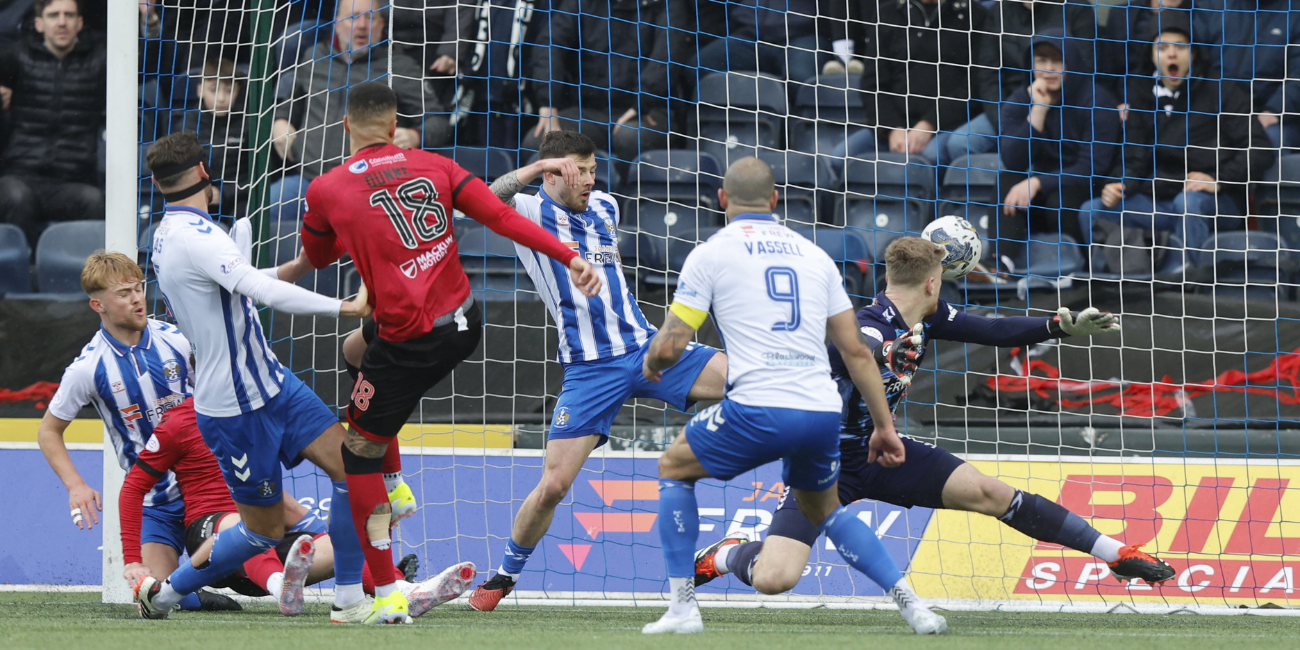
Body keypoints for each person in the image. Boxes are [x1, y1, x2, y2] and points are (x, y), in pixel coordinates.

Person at [691, 237, 1177, 599]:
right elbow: (830, 365)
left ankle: (1116, 553)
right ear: (931, 280)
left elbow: (992, 329)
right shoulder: (864, 328)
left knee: (991, 492)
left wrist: (1059, 325)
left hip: (888, 455)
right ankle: (727, 553)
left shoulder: (927, 316)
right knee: (776, 579)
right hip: (826, 469)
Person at [296, 82, 601, 615]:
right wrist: (569, 256)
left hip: (410, 340)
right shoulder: (433, 164)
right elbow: (500, 216)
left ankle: (386, 592)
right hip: (463, 322)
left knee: (355, 451)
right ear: (395, 128)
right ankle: (395, 486)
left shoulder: (325, 189)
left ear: (346, 127)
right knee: (352, 350)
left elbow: (318, 258)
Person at [637, 157, 946, 635]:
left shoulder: (711, 253)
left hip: (759, 404)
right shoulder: (814, 256)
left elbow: (673, 343)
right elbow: (857, 354)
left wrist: (653, 365)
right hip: (822, 410)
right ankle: (914, 607)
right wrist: (885, 427)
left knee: (673, 467)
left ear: (721, 200)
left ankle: (681, 609)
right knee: (824, 508)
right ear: (775, 200)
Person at [464, 130, 728, 612]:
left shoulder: (606, 206)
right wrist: (530, 172)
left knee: (747, 380)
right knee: (553, 486)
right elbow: (476, 201)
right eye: (578, 171)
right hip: (589, 370)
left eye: (591, 169)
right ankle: (504, 576)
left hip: (648, 350)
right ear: (552, 172)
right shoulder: (526, 209)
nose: (589, 179)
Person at [137, 131, 381, 624]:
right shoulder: (196, 236)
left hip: (274, 383)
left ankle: (351, 597)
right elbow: (256, 290)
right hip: (233, 409)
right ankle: (162, 595)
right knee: (263, 533)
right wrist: (345, 306)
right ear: (206, 175)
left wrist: (295, 266)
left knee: (353, 470)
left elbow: (237, 284)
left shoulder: (170, 233)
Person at [121, 397, 477, 617]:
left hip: (271, 544)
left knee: (346, 538)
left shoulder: (265, 410)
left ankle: (402, 591)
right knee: (240, 522)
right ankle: (281, 589)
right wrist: (130, 558)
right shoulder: (180, 421)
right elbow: (133, 486)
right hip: (211, 533)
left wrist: (326, 530)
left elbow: (279, 492)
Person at [37, 251, 235, 613]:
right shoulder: (88, 368)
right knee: (158, 596)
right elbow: (48, 431)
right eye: (124, 293)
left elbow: (213, 402)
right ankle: (198, 594)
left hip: (206, 489)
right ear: (98, 304)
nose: (137, 298)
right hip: (154, 504)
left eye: (139, 288)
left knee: (242, 560)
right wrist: (76, 485)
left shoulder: (174, 339)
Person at [1075, 15, 1273, 257]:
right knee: (1091, 210)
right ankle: (1112, 285)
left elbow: (1261, 149)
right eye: (1162, 47)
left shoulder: (1221, 89)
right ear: (1151, 55)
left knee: (1187, 203)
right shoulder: (1139, 91)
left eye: (1180, 46)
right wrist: (1118, 184)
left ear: (1194, 54)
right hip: (1156, 199)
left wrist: (1217, 179)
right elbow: (1134, 155)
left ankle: (1189, 285)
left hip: (1214, 201)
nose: (1171, 54)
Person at [269, 0, 451, 222]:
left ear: (381, 25)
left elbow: (438, 122)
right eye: (353, 17)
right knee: (264, 207)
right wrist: (281, 120)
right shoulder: (314, 56)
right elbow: (292, 103)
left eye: (370, 18)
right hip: (308, 182)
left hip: (369, 189)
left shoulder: (399, 66)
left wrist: (415, 135)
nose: (362, 25)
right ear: (337, 23)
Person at [524, 0, 695, 162]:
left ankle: (622, 193)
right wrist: (548, 102)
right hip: (590, 111)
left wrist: (642, 103)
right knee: (539, 142)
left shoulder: (667, 4)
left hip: (650, 111)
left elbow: (667, 55)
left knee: (630, 137)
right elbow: (550, 43)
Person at [998, 32, 1120, 254]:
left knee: (1060, 201)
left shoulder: (1097, 101)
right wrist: (1038, 112)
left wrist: (1038, 183)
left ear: (1070, 63)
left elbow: (1093, 167)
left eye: (1057, 60)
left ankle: (1074, 269)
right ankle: (1001, 263)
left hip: (1084, 185)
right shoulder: (1021, 99)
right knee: (1007, 182)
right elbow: (1012, 160)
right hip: (1042, 183)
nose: (1049, 68)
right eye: (1041, 60)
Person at [835, 0, 997, 166]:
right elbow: (872, 84)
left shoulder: (975, 16)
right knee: (841, 157)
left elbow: (974, 85)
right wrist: (891, 128)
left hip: (947, 125)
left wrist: (930, 123)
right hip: (894, 126)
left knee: (928, 159)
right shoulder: (888, 14)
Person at [0, 0, 106, 246]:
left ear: (80, 23)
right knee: (15, 197)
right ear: (38, 23)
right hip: (20, 176)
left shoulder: (99, 59)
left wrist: (149, 21)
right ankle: (29, 272)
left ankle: (84, 278)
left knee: (94, 201)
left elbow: (144, 64)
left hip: (73, 181)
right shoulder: (17, 56)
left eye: (69, 15)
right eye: (53, 15)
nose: (61, 22)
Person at [1196, 0, 1300, 149]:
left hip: (1266, 113)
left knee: (1269, 140)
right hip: (1211, 109)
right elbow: (1195, 58)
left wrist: (1273, 111)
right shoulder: (1213, 5)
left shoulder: (1295, 12)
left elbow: (1296, 77)